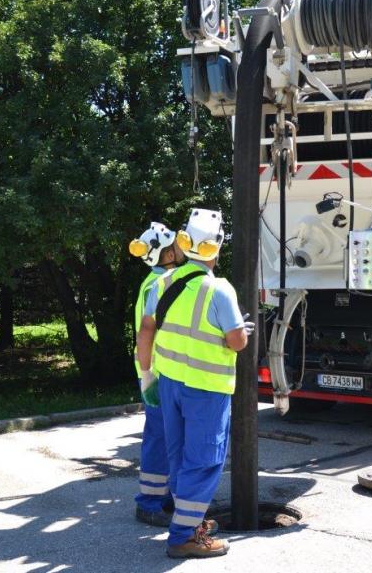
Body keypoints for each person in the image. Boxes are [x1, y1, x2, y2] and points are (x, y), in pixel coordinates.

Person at [136, 208, 253, 559]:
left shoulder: (161, 284)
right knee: (203, 460)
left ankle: (188, 522)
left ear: (184, 243)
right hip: (206, 387)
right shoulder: (220, 290)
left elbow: (146, 332)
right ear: (217, 249)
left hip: (169, 383)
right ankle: (185, 537)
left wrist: (147, 376)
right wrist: (240, 334)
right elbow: (236, 343)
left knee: (178, 455)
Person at [127, 222, 183, 527]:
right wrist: (148, 375)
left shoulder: (159, 280)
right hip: (158, 375)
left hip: (160, 373)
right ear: (167, 252)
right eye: (176, 244)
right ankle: (149, 503)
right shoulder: (159, 284)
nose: (182, 248)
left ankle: (167, 498)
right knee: (160, 438)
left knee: (169, 438)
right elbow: (148, 334)